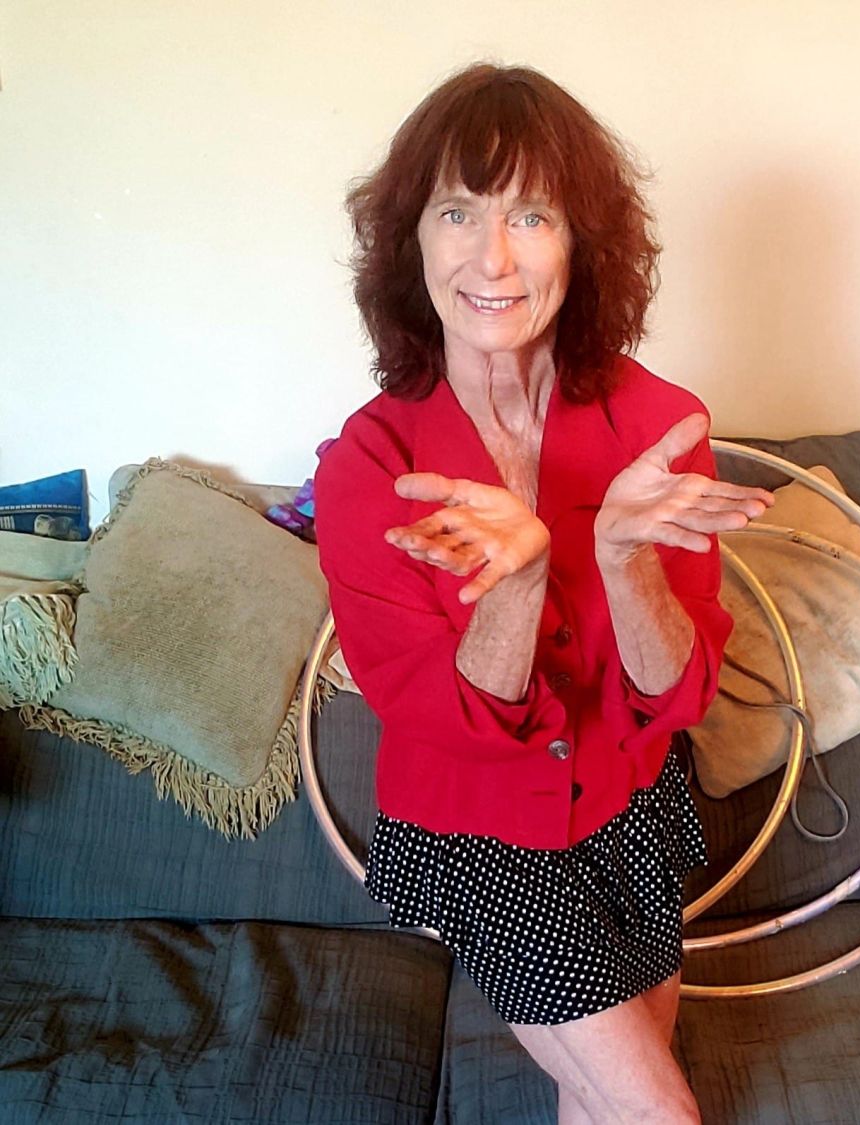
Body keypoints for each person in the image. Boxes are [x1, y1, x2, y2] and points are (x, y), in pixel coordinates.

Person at [314, 62, 772, 1125]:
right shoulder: (372, 466)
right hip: (483, 839)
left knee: (599, 1106)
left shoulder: (657, 427)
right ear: (410, 241)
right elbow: (443, 724)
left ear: (582, 244)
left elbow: (680, 696)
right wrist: (516, 584)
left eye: (532, 215)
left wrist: (624, 559)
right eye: (457, 212)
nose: (493, 257)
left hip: (633, 807)